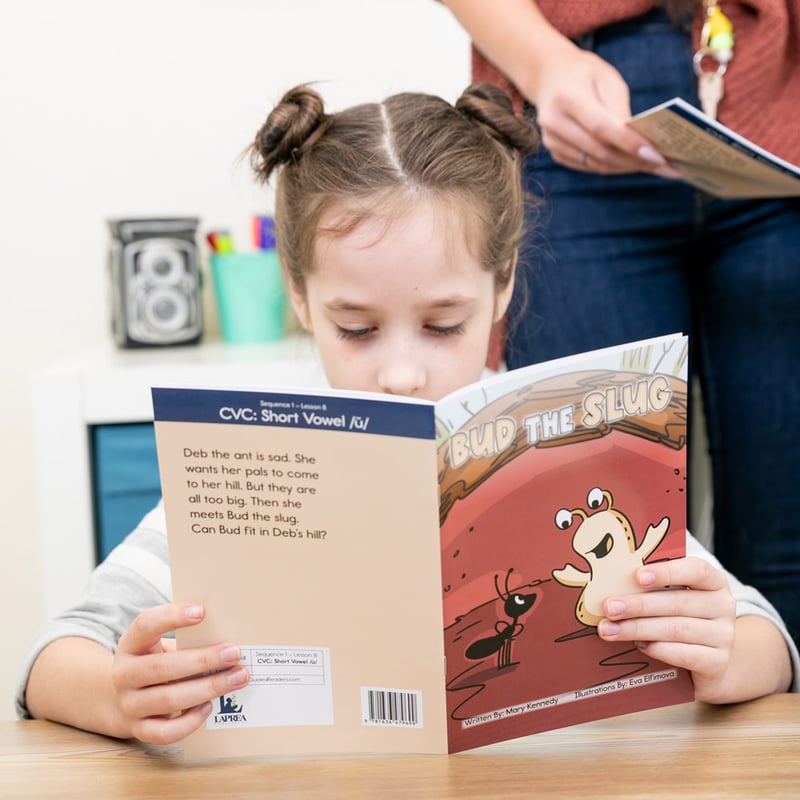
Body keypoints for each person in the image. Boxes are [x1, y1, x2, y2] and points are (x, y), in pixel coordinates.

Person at [16, 82, 798, 746]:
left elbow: (770, 639)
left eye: (442, 324)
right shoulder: (249, 461)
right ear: (299, 295)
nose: (398, 372)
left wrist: (721, 655)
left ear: (501, 284)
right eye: (355, 327)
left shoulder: (573, 449)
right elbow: (52, 658)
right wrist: (122, 694)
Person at [439, 0, 800, 645]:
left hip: (780, 101)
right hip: (573, 106)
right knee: (600, 563)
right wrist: (542, 63)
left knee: (788, 549)